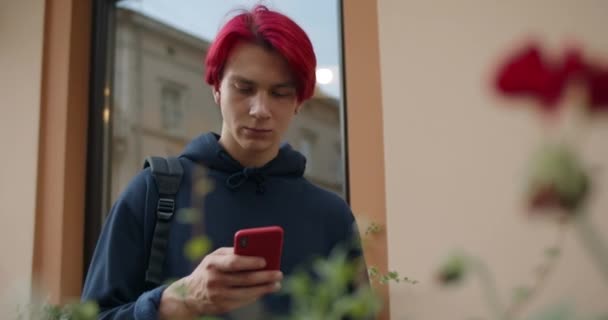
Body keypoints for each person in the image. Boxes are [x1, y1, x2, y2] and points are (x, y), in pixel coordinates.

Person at [82, 5, 366, 319]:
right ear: (217, 88)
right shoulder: (155, 192)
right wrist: (177, 301)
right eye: (244, 88)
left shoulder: (331, 216)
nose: (260, 109)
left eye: (280, 93)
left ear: (299, 101)